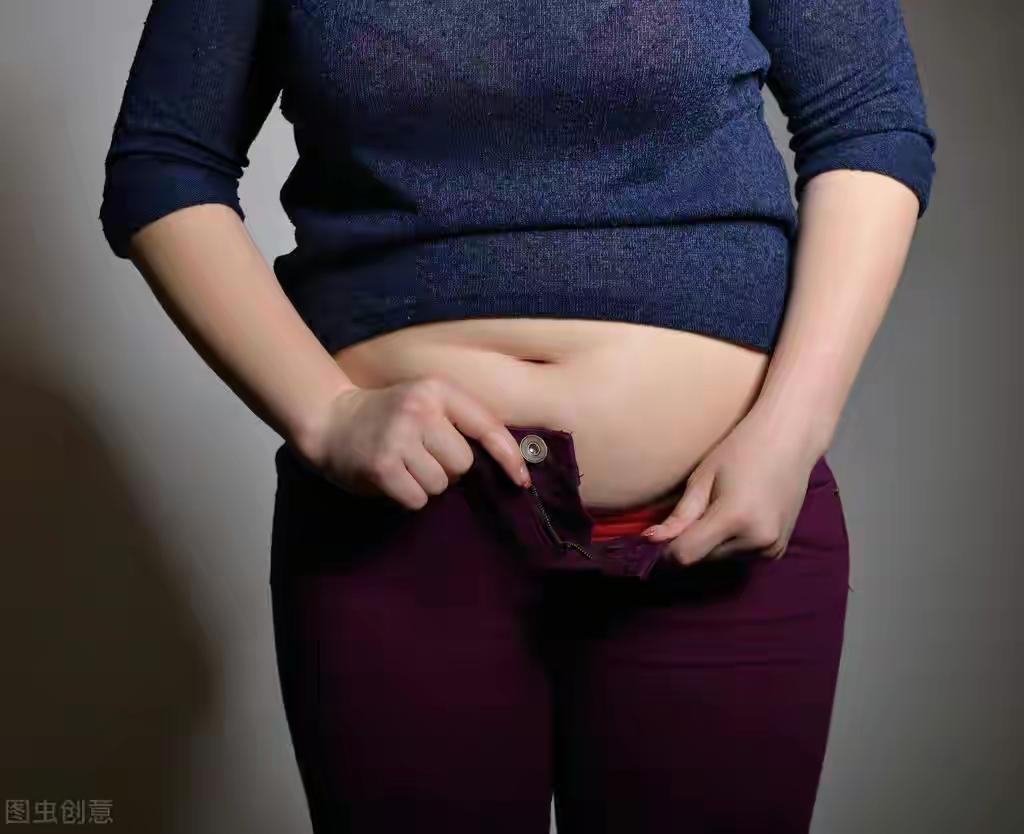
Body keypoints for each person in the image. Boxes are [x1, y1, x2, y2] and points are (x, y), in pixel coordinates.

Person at [98, 0, 937, 831]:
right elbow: (164, 163)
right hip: (398, 535)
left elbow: (869, 124)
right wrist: (328, 414)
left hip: (710, 531)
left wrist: (792, 431)